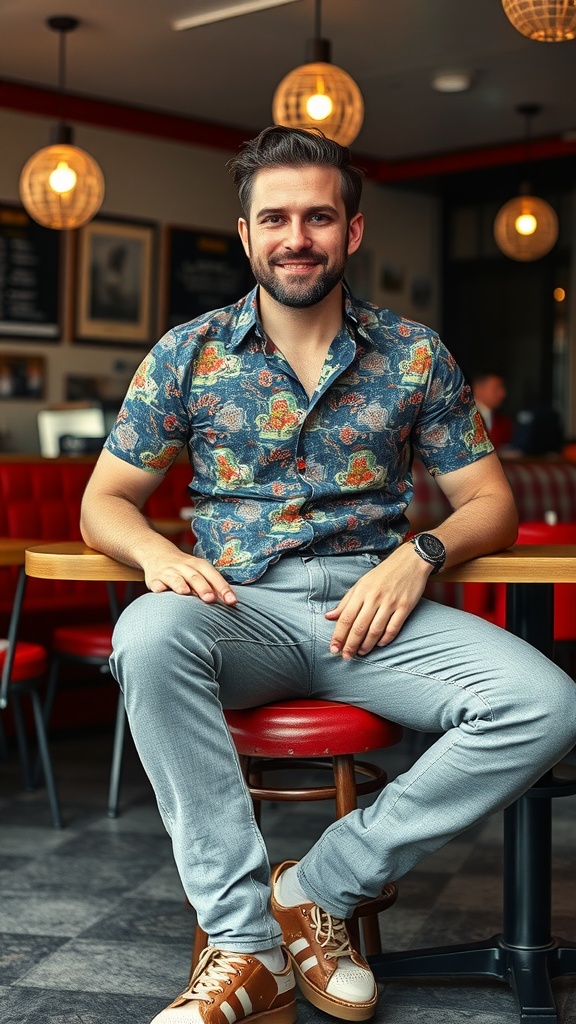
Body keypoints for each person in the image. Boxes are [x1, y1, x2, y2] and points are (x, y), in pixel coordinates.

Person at [80, 126, 576, 1024]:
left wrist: (417, 556)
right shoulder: (187, 354)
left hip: (374, 611)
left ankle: (320, 885)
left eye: (318, 216)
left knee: (548, 703)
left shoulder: (415, 355)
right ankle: (244, 943)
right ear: (246, 235)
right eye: (276, 217)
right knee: (146, 633)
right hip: (239, 610)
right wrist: (158, 553)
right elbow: (105, 500)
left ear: (351, 232)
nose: (296, 235)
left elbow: (489, 503)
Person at [470, 371, 513, 450]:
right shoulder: (464, 415)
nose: (502, 393)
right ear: (478, 389)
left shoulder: (504, 421)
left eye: (502, 388)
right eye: (496, 388)